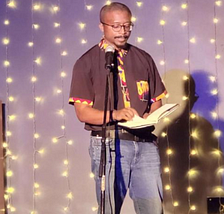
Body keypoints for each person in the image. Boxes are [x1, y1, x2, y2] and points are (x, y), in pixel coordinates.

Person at [69, 2, 166, 214]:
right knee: (110, 208)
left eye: (127, 26)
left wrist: (151, 115)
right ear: (102, 26)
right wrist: (115, 114)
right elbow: (82, 112)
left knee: (153, 208)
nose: (123, 32)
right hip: (110, 143)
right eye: (116, 26)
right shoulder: (86, 62)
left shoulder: (144, 58)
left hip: (146, 143)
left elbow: (156, 99)